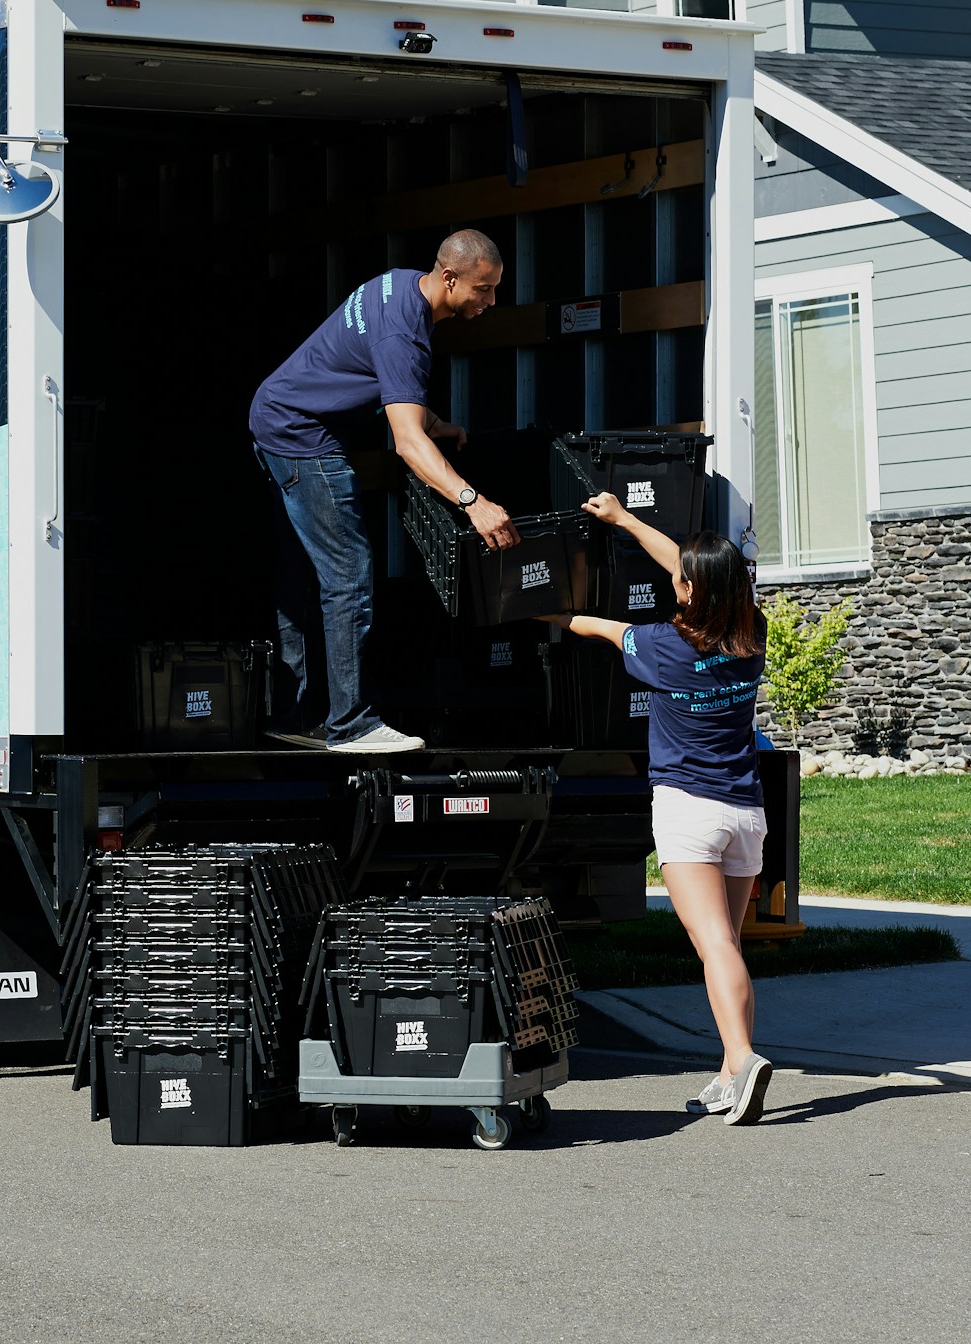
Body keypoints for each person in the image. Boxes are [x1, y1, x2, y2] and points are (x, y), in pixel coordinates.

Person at [541, 494, 773, 1125]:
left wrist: (556, 614)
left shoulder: (665, 648)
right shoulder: (751, 632)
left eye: (681, 579)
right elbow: (693, 570)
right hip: (745, 814)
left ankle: (744, 1057)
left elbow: (602, 628)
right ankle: (729, 1075)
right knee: (724, 946)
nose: (674, 579)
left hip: (689, 812)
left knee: (715, 944)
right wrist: (624, 519)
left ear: (690, 590)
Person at [248, 230, 519, 754]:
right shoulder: (406, 337)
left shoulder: (396, 286)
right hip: (301, 436)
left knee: (303, 572)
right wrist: (474, 503)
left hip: (275, 416)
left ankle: (294, 715)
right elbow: (407, 445)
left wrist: (431, 418)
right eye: (483, 290)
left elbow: (369, 369)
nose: (490, 301)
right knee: (348, 574)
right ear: (448, 278)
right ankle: (351, 725)